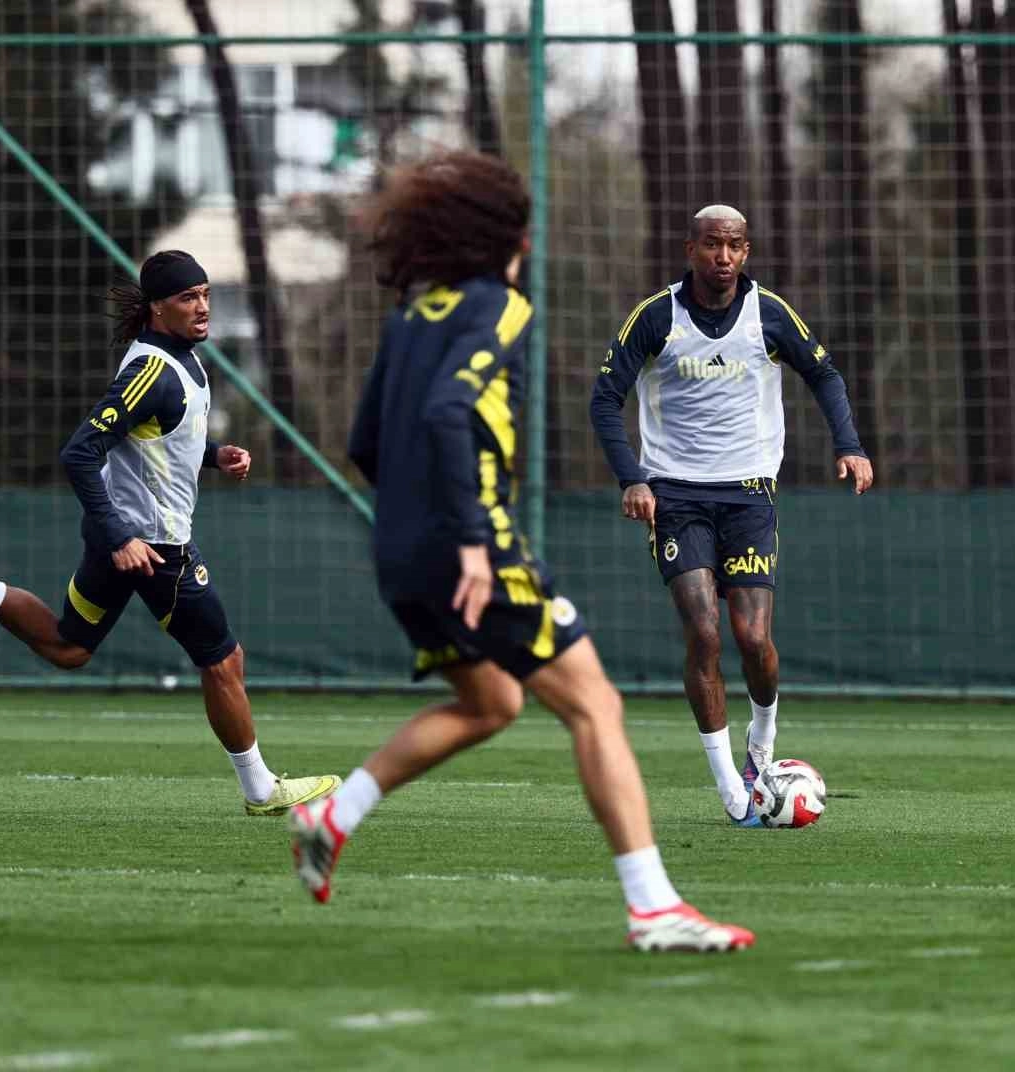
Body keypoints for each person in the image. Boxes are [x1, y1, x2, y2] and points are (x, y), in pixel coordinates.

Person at [288, 151, 753, 952]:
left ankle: (333, 815)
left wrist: (422, 528)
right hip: (470, 550)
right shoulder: (500, 305)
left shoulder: (412, 315)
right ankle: (653, 909)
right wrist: (471, 541)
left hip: (400, 549)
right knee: (596, 705)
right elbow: (448, 411)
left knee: (490, 704)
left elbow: (365, 442)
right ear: (508, 237)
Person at [0, 250, 339, 817]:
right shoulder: (152, 372)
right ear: (157, 307)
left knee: (69, 647)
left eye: (206, 295)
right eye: (188, 298)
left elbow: (159, 438)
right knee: (223, 660)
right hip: (153, 548)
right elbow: (80, 452)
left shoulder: (183, 360)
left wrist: (214, 455)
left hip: (123, 537)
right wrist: (120, 538)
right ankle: (260, 790)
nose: (202, 307)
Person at [589, 205, 873, 825]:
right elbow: (605, 398)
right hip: (675, 494)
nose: (724, 257)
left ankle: (761, 740)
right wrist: (633, 477)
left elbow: (824, 373)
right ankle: (731, 791)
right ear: (690, 248)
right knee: (705, 634)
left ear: (747, 252)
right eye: (713, 244)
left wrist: (849, 445)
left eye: (736, 246)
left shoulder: (768, 313)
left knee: (753, 639)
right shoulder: (656, 316)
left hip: (748, 493)